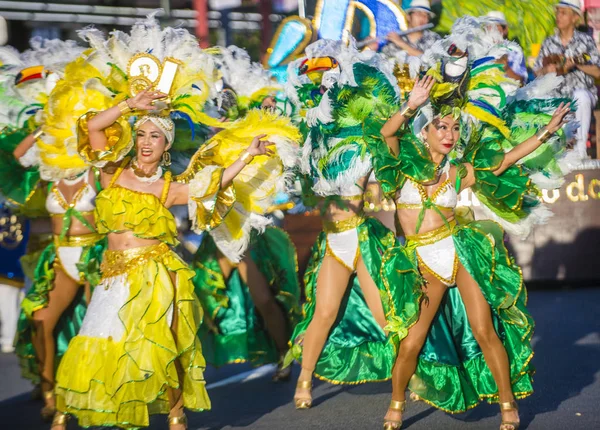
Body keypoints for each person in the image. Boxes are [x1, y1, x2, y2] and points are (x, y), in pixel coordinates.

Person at [50, 17, 299, 430]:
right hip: (114, 275)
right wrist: (130, 105)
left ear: (165, 148)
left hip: (158, 270)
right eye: (142, 134)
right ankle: (74, 404)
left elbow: (211, 185)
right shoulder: (110, 171)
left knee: (164, 341)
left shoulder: (166, 188)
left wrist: (246, 155)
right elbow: (93, 126)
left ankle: (177, 414)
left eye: (156, 137)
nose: (147, 142)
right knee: (102, 339)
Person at [366, 17, 577, 430]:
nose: (449, 133)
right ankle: (395, 403)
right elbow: (386, 133)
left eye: (455, 127)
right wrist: (410, 104)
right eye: (441, 127)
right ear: (425, 132)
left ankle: (507, 405)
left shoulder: (458, 170)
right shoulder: (399, 169)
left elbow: (503, 162)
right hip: (420, 262)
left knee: (484, 330)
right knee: (411, 340)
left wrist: (547, 133)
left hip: (460, 251)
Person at [286, 39, 422, 410]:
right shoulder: (312, 143)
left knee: (383, 314)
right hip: (332, 240)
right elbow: (299, 183)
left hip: (361, 239)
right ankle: (304, 379)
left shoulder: (362, 142)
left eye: (333, 87)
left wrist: (409, 110)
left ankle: (408, 376)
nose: (328, 95)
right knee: (324, 312)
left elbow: (387, 146)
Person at [535, 0, 600, 159]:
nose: (558, 16)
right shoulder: (549, 42)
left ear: (575, 18)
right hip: (556, 98)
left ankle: (580, 151)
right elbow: (537, 71)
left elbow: (597, 72)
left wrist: (576, 65)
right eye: (558, 12)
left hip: (581, 96)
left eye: (563, 13)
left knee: (581, 96)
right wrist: (546, 70)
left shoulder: (586, 41)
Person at [486, 11, 528, 84]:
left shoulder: (514, 50)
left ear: (505, 29)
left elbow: (521, 82)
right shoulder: (479, 48)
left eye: (496, 26)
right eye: (489, 26)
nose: (492, 29)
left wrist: (506, 68)